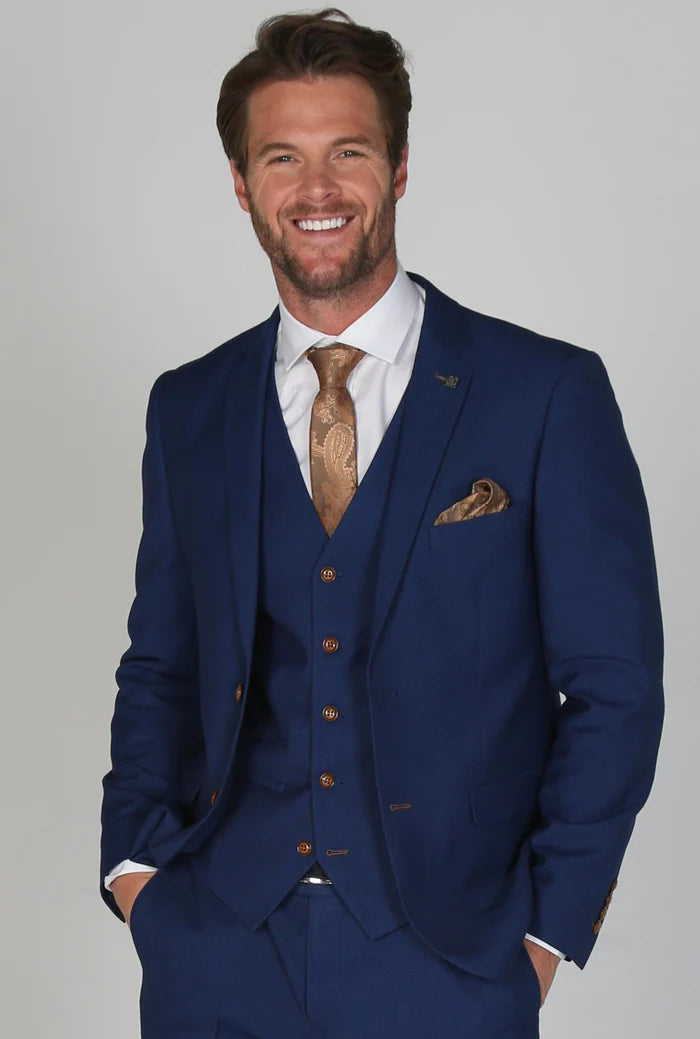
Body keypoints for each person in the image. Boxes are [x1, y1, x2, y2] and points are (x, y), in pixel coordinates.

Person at [100, 9, 664, 1037]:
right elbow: (163, 666)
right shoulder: (190, 407)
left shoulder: (543, 394)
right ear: (242, 184)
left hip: (450, 957)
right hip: (219, 951)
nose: (315, 191)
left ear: (398, 167)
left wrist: (542, 933)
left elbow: (616, 685)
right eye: (282, 158)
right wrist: (137, 870)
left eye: (347, 152)